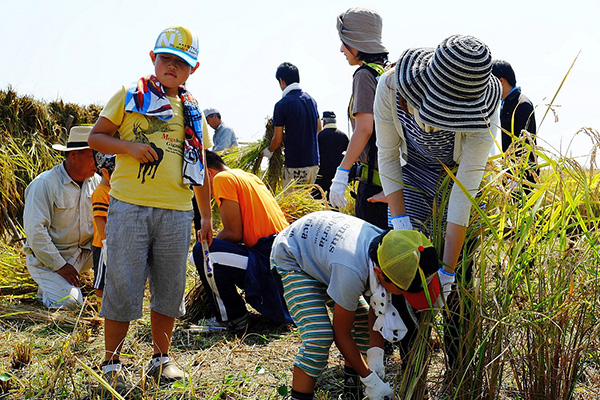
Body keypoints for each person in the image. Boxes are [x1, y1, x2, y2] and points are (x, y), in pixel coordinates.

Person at [87, 25, 213, 391]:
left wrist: (204, 214)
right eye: (166, 59)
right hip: (130, 206)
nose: (172, 66)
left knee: (169, 287)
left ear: (194, 69)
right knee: (123, 284)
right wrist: (127, 148)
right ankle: (111, 363)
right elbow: (97, 136)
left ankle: (161, 360)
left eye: (181, 62)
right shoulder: (129, 95)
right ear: (152, 59)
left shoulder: (191, 110)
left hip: (176, 210)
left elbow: (199, 165)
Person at [374, 34, 501, 382]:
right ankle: (414, 363)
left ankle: (458, 370)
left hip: (456, 179)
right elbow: (387, 155)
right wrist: (400, 224)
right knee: (403, 267)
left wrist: (446, 270)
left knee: (460, 280)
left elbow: (463, 191)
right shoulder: (390, 88)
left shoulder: (485, 110)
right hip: (412, 171)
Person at [272, 211, 442, 400]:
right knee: (318, 338)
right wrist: (370, 379)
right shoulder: (351, 271)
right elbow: (341, 334)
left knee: (361, 326)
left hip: (326, 256)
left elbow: (378, 305)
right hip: (293, 257)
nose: (403, 296)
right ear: (379, 273)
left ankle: (352, 393)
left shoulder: (391, 248)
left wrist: (375, 357)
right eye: (403, 290)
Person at [191, 150, 291, 332]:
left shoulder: (222, 179)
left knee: (204, 252)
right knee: (208, 251)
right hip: (283, 258)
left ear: (207, 173)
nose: (209, 195)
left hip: (267, 260)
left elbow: (233, 233)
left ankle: (231, 318)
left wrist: (203, 248)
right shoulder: (248, 177)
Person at [23, 126, 100, 309]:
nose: (98, 162)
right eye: (93, 156)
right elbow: (36, 233)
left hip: (83, 253)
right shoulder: (45, 184)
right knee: (71, 304)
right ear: (73, 155)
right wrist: (60, 266)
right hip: (48, 259)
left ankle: (58, 286)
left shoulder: (97, 183)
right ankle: (49, 288)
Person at [329, 8, 390, 229]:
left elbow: (364, 129)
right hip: (392, 187)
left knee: (370, 259)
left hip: (373, 188)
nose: (341, 49)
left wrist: (341, 173)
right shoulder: (385, 72)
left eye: (344, 42)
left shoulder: (364, 76)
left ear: (356, 41)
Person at [262, 62, 321, 187]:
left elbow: (277, 138)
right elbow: (319, 129)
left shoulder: (282, 105)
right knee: (305, 203)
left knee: (291, 205)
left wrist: (269, 150)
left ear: (281, 80)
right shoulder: (312, 101)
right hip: (313, 163)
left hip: (296, 165)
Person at [491, 60, 538, 193]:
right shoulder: (505, 104)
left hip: (522, 177)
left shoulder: (522, 105)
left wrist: (516, 180)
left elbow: (525, 147)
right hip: (510, 173)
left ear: (500, 81)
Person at [90, 152, 115, 299]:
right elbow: (99, 218)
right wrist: (106, 241)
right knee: (101, 280)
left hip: (114, 242)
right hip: (102, 244)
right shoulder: (101, 192)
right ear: (105, 172)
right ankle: (100, 309)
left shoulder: (115, 190)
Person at [314, 111, 349, 198]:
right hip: (336, 176)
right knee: (333, 203)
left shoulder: (319, 136)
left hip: (321, 175)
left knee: (316, 200)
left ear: (324, 122)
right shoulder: (343, 136)